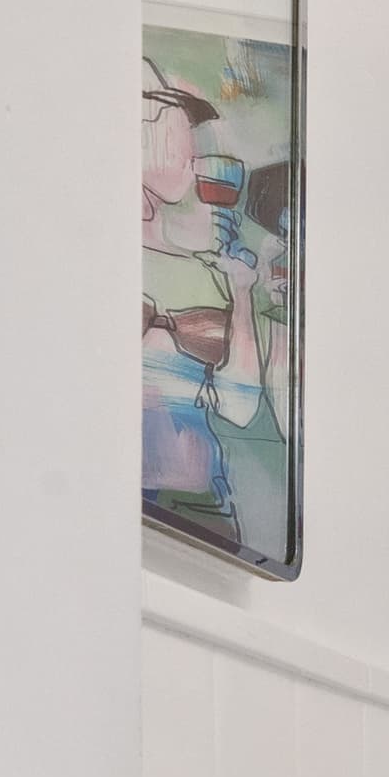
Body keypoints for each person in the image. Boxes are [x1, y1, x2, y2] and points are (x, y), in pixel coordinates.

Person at [140, 58, 269, 548]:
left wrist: (241, 294)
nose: (195, 162)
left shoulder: (208, 270)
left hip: (202, 509)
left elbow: (238, 408)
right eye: (182, 137)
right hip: (114, 499)